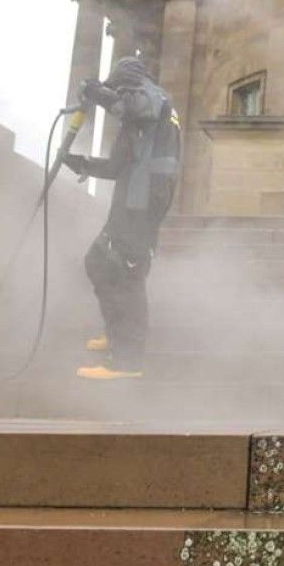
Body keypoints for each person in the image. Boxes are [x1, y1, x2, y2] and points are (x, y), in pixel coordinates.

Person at [63, 55, 180, 380]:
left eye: (119, 91)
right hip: (132, 201)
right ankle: (117, 335)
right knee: (98, 262)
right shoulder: (139, 120)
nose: (118, 98)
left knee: (128, 275)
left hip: (141, 206)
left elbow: (131, 107)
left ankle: (127, 361)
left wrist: (97, 91)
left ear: (128, 84)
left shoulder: (152, 97)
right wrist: (80, 163)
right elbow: (117, 167)